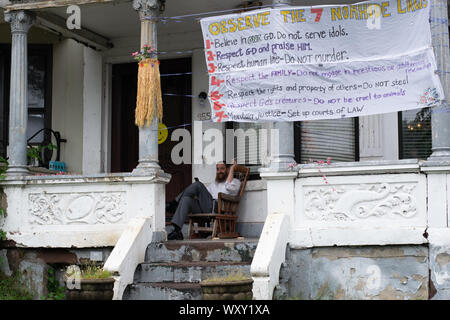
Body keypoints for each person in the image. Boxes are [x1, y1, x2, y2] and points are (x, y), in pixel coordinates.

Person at [167, 160, 241, 240]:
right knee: (186, 199)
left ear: (228, 170)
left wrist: (232, 168)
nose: (219, 171)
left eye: (222, 169)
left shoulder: (236, 182)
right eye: (218, 169)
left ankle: (174, 203)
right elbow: (205, 194)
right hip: (207, 207)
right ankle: (177, 231)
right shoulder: (215, 184)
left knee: (198, 185)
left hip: (218, 208)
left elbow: (228, 187)